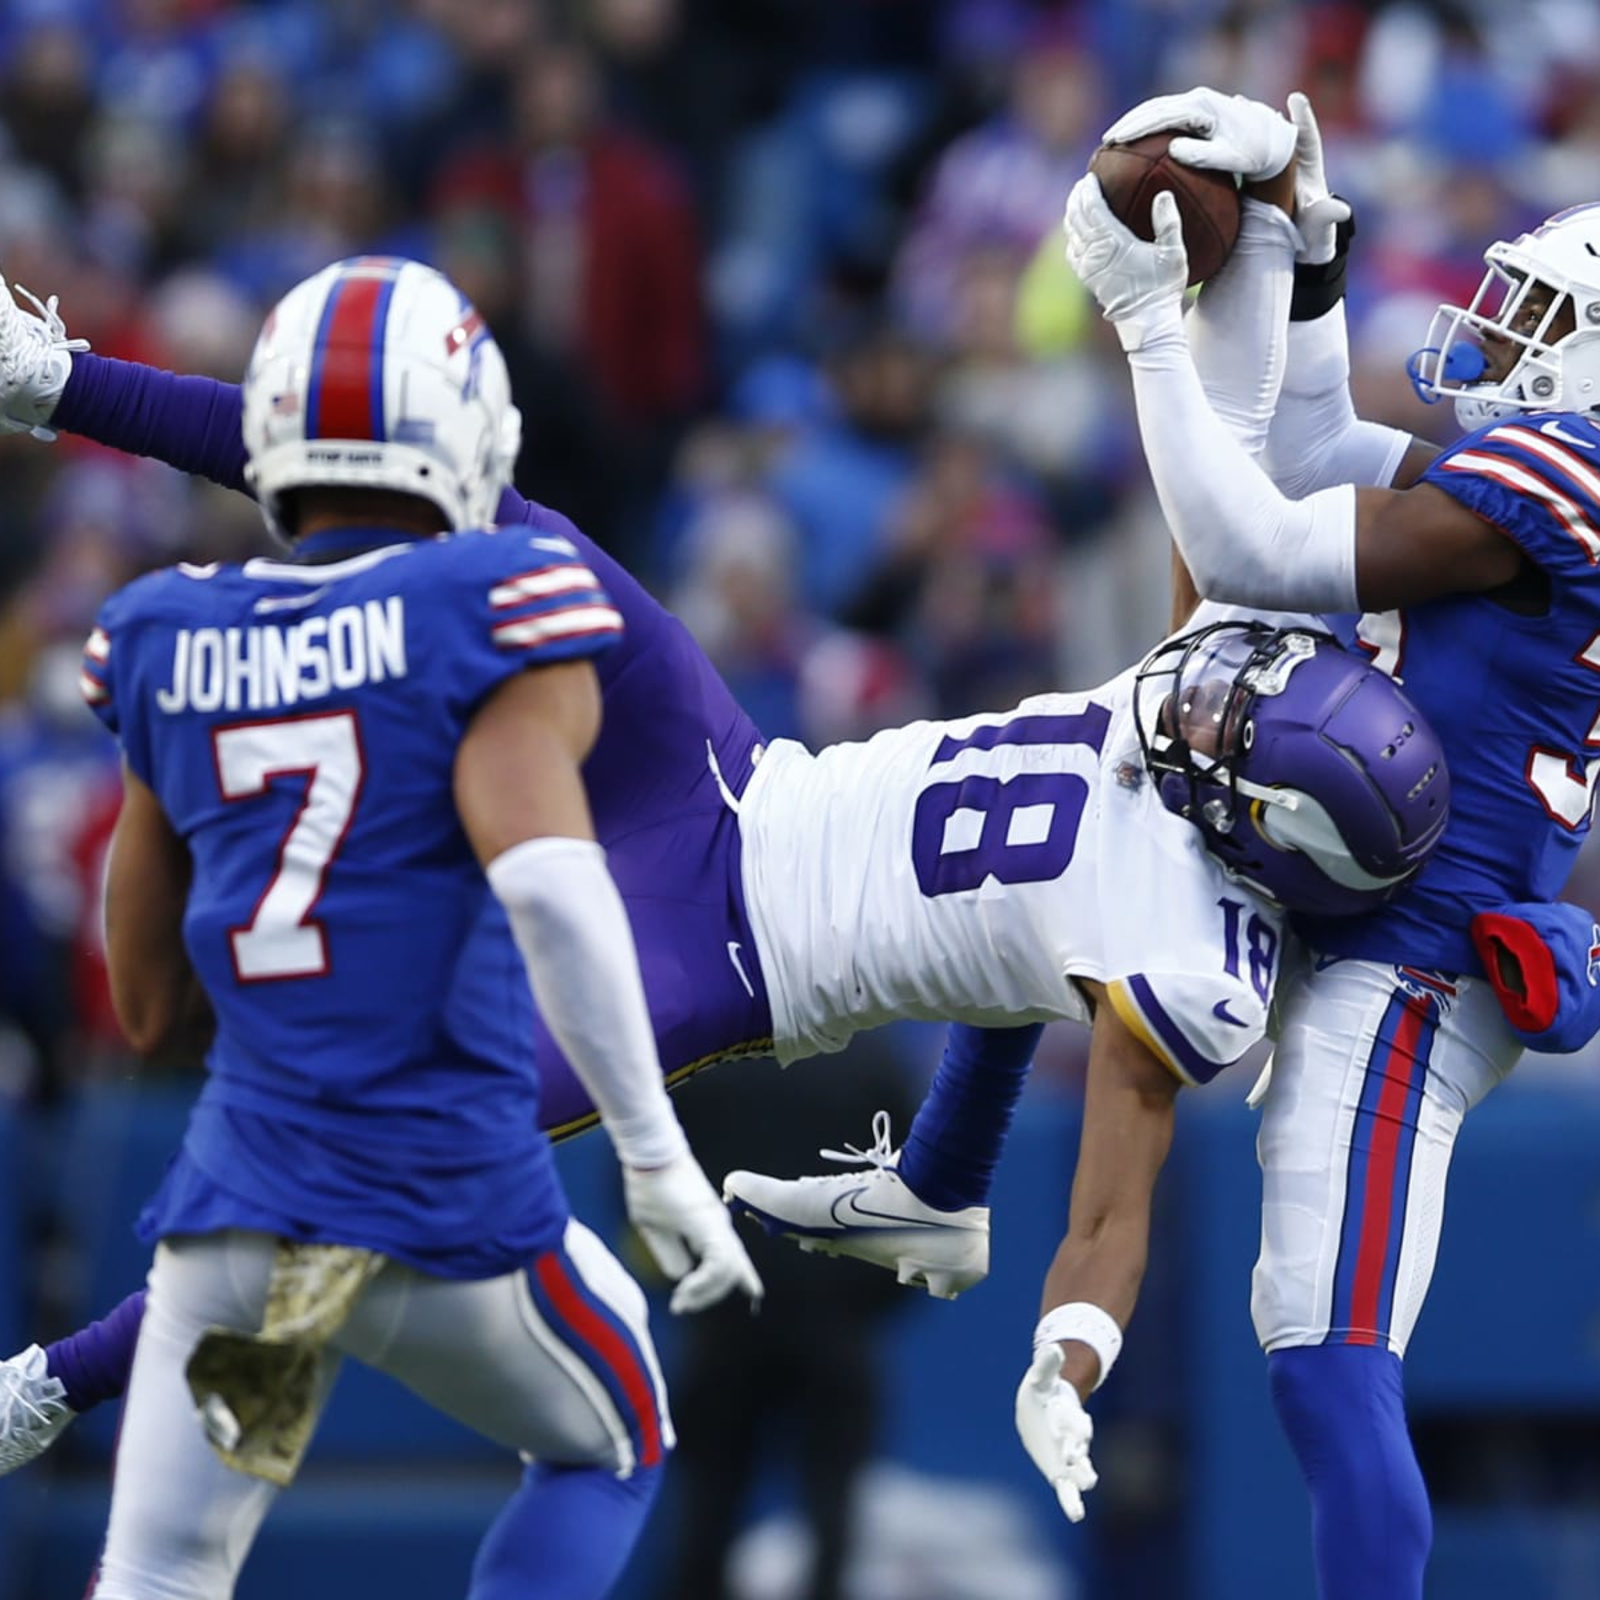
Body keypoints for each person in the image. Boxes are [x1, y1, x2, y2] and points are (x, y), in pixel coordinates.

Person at [0, 265, 1446, 1527]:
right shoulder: (1205, 716)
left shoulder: (1194, 961)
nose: (1207, 697)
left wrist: (1066, 1356)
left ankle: (56, 1389)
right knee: (467, 501)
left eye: (1238, 730)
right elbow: (1228, 496)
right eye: (1245, 688)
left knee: (382, 1154)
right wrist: (1253, 268)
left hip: (719, 951)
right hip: (730, 773)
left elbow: (1110, 1217)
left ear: (1267, 830)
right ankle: (59, 380)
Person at [37, 254, 763, 1600]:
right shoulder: (494, 602)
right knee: (616, 1442)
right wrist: (657, 1160)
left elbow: (141, 1005)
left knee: (157, 1578)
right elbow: (551, 888)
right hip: (441, 1196)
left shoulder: (163, 633)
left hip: (239, 1208)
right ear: (468, 427)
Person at [1043, 87, 1600, 1600]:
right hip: (1375, 915)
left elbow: (1255, 544)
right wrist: (1300, 236)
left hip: (1414, 969)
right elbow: (1303, 449)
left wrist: (1155, 332)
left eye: (1541, 310)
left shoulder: (1572, 482)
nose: (1498, 327)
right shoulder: (1537, 485)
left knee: (1325, 1355)